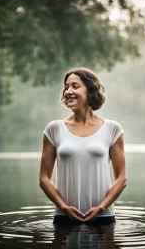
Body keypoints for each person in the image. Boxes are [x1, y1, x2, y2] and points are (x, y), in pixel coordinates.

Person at [39, 67, 127, 226]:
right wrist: (64, 207)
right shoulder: (54, 129)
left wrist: (101, 208)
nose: (68, 91)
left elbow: (122, 178)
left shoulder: (113, 129)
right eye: (66, 87)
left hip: (103, 218)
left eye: (75, 86)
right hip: (64, 218)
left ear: (91, 91)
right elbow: (44, 178)